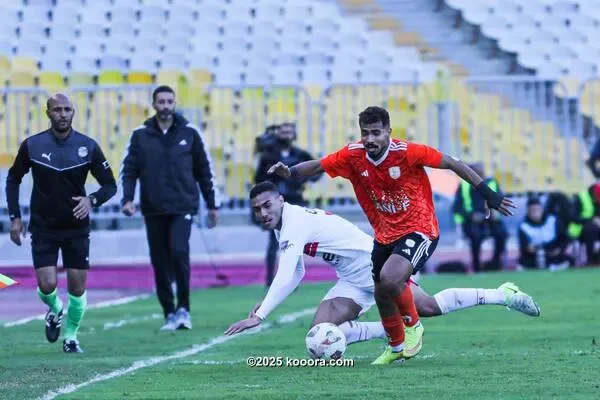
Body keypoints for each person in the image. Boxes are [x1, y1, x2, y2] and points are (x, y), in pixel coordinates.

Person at [268, 106, 515, 364]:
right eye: (365, 133)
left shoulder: (407, 152)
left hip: (420, 228)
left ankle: (413, 327)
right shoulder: (353, 156)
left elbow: (452, 163)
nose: (370, 139)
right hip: (385, 235)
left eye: (376, 133)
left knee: (390, 278)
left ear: (389, 131)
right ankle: (395, 347)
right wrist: (291, 172)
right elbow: (318, 165)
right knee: (382, 293)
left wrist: (488, 193)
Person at [224, 182, 539, 347]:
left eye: (267, 205)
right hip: (350, 278)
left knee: (428, 307)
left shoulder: (294, 222)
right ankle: (390, 331)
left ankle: (502, 293)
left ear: (279, 200)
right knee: (321, 333)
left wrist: (262, 314)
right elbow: (296, 272)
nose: (263, 213)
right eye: (257, 209)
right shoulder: (284, 223)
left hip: (374, 266)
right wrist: (265, 305)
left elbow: (286, 269)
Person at [5, 93, 117, 353]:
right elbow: (13, 179)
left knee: (77, 288)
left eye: (67, 109)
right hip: (44, 226)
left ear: (74, 113)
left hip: (76, 228)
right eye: (57, 110)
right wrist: (15, 217)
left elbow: (110, 184)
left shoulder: (87, 146)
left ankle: (71, 337)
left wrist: (92, 199)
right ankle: (55, 309)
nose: (63, 114)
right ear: (48, 113)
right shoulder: (32, 145)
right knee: (47, 285)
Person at [120, 85, 220, 331]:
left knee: (179, 252)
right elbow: (129, 170)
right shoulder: (140, 135)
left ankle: (184, 308)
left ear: (175, 103)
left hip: (183, 206)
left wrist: (212, 204)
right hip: (153, 208)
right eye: (161, 101)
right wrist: (128, 199)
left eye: (169, 101)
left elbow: (204, 171)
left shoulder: (190, 133)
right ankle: (169, 313)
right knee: (160, 261)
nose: (165, 106)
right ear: (153, 104)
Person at [254, 122, 322, 287]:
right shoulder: (269, 155)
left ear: (294, 134)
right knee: (274, 241)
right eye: (283, 132)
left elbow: (318, 168)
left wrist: (304, 178)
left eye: (289, 132)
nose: (286, 135)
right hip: (276, 202)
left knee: (295, 241)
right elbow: (258, 179)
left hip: (296, 200)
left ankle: (293, 279)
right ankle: (270, 280)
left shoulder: (299, 154)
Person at [452, 162, 508, 272]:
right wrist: (471, 216)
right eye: (477, 173)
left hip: (491, 220)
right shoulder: (464, 185)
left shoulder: (492, 182)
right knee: (475, 236)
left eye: (481, 173)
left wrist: (497, 212)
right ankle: (476, 265)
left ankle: (495, 262)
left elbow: (501, 200)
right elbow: (456, 207)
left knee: (502, 234)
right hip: (472, 222)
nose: (480, 176)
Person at [518, 197, 571, 270]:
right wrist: (530, 249)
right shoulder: (523, 226)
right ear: (528, 211)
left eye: (537, 210)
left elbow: (565, 238)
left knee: (566, 260)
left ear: (542, 209)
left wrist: (559, 249)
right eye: (532, 210)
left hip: (553, 252)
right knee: (523, 263)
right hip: (535, 255)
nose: (536, 213)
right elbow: (524, 246)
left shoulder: (553, 221)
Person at [567, 183, 600, 265]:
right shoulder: (580, 197)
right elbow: (573, 217)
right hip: (579, 230)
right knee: (591, 229)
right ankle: (591, 260)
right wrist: (592, 220)